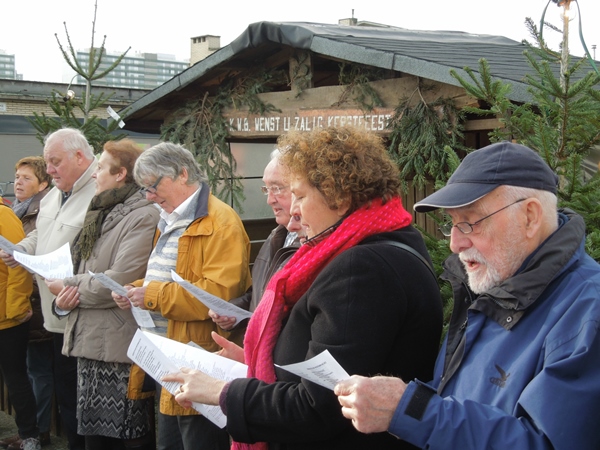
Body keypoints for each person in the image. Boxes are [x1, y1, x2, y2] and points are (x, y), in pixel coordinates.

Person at [163, 126, 443, 450]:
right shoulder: (381, 242)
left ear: (339, 196)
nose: (293, 210)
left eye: (300, 195)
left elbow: (318, 406)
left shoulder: (361, 269)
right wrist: (257, 363)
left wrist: (222, 391)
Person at [334, 141, 600, 450]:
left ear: (530, 217)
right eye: (452, 223)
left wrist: (410, 409)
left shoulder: (587, 310)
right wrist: (400, 406)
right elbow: (459, 400)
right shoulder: (492, 285)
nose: (455, 243)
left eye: (470, 222)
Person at [111, 142, 252, 450]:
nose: (149, 197)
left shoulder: (220, 221)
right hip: (170, 360)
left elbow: (217, 294)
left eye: (153, 187)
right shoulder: (172, 218)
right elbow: (168, 276)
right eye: (144, 190)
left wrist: (151, 296)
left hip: (199, 359)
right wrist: (136, 289)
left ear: (183, 174)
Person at [43, 139, 160, 449]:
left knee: (127, 439)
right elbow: (84, 268)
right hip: (92, 345)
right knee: (94, 439)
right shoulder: (103, 211)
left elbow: (118, 280)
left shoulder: (143, 214)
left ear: (121, 173)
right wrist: (63, 303)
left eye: (99, 167)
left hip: (119, 350)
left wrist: (66, 286)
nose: (94, 174)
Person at [0, 127, 98, 450]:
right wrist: (21, 251)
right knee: (67, 400)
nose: (50, 170)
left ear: (80, 157)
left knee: (83, 405)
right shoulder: (56, 193)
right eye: (47, 162)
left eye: (55, 162)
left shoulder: (97, 193)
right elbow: (40, 235)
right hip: (55, 319)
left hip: (83, 315)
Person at [209, 149, 303, 336]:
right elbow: (260, 293)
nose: (269, 200)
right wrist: (234, 311)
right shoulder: (276, 235)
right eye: (266, 189)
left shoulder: (314, 242)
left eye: (277, 188)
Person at [2, 156, 54, 450]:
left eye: (26, 178)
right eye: (16, 177)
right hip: (18, 309)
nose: (18, 183)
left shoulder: (9, 215)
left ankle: (35, 434)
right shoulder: (20, 210)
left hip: (20, 311)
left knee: (28, 374)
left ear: (43, 184)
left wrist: (15, 310)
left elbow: (17, 264)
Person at [0, 197, 39, 450]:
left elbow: (19, 262)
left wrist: (15, 308)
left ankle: (29, 436)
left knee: (15, 377)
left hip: (7, 316)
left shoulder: (3, 215)